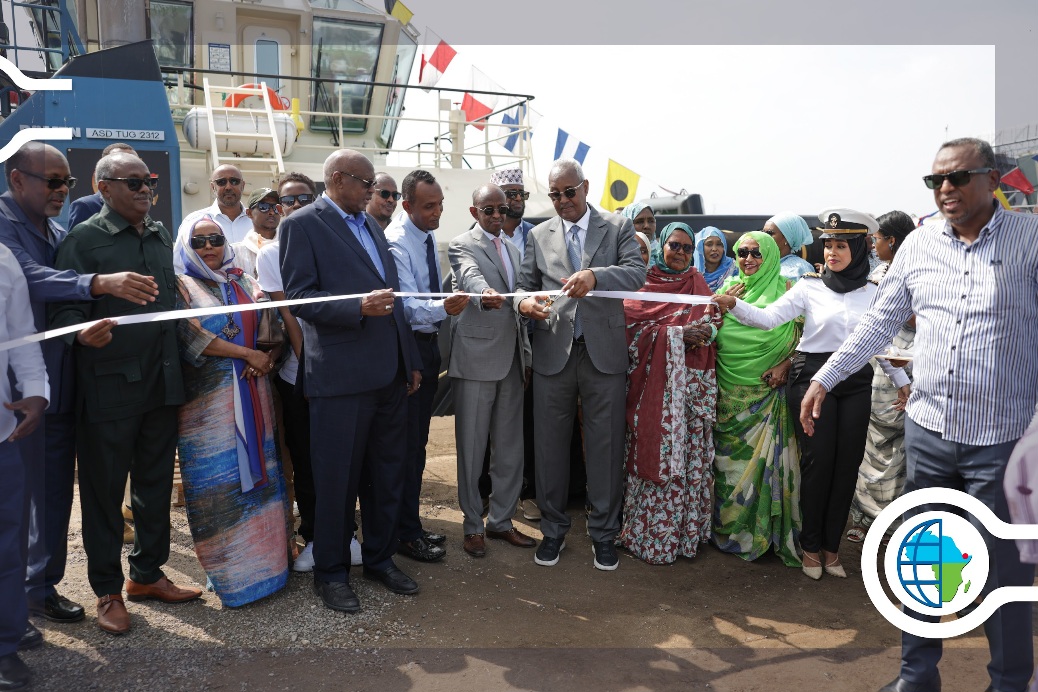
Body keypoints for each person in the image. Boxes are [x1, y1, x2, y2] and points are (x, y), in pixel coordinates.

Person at [801, 138, 1038, 692]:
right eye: (936, 181)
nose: (946, 189)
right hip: (929, 431)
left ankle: (1009, 681)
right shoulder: (919, 246)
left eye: (958, 178)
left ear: (993, 179)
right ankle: (916, 676)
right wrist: (825, 377)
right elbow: (879, 323)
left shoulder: (1029, 241)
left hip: (1003, 439)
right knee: (926, 561)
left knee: (1004, 572)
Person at [0, 143, 164, 632]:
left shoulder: (55, 230)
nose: (63, 191)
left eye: (66, 182)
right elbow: (29, 279)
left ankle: (39, 588)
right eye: (52, 181)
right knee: (17, 501)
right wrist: (96, 283)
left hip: (60, 383)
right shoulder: (6, 227)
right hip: (16, 390)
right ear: (17, 179)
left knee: (53, 495)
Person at [713, 208, 909, 582]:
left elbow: (880, 342)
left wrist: (901, 380)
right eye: (828, 245)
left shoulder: (875, 293)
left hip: (855, 381)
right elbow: (768, 319)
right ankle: (810, 546)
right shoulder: (808, 286)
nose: (832, 252)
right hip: (811, 379)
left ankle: (832, 549)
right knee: (818, 464)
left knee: (846, 465)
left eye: (841, 246)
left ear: (859, 248)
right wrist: (734, 304)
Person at [50, 152, 202, 635]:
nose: (145, 190)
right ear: (104, 187)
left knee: (154, 487)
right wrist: (79, 333)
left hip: (161, 382)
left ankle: (147, 574)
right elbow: (61, 309)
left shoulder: (158, 234)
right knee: (104, 492)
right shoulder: (83, 240)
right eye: (133, 182)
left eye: (148, 181)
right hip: (110, 389)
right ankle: (107, 591)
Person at [280, 149, 423, 613]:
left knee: (385, 475)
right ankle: (332, 573)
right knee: (336, 481)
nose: (372, 191)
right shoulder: (301, 225)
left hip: (388, 375)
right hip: (340, 378)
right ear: (338, 179)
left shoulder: (373, 227)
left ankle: (380, 559)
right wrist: (356, 307)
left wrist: (409, 358)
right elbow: (299, 298)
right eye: (366, 183)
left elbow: (394, 300)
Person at [515, 158, 645, 571]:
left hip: (603, 353)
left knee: (606, 446)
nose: (562, 200)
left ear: (585, 188)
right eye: (554, 194)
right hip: (553, 352)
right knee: (549, 447)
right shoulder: (538, 235)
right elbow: (523, 286)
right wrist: (525, 303)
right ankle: (553, 530)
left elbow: (636, 273)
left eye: (569, 192)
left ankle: (604, 533)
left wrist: (595, 275)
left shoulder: (618, 226)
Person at [174, 216, 290, 607]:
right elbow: (191, 336)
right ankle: (231, 577)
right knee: (219, 485)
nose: (209, 246)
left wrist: (267, 356)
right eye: (199, 241)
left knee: (262, 478)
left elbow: (273, 323)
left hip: (256, 391)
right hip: (209, 411)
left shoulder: (244, 280)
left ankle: (270, 569)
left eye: (215, 239)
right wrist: (247, 354)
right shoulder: (181, 286)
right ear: (187, 247)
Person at [617, 222, 721, 565]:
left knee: (687, 461)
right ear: (661, 246)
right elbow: (630, 328)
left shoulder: (697, 282)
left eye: (687, 248)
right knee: (654, 456)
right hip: (652, 393)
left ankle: (683, 539)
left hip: (690, 393)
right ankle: (646, 537)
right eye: (674, 245)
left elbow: (713, 321)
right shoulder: (643, 283)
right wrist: (676, 335)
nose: (680, 253)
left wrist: (704, 331)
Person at [258, 172, 345, 573]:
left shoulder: (335, 241)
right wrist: (311, 370)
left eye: (303, 198)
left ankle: (346, 534)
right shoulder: (271, 254)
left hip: (343, 373)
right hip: (302, 377)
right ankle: (313, 537)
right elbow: (290, 315)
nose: (294, 206)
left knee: (342, 460)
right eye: (287, 200)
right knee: (307, 462)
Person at [385, 169, 467, 564]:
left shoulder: (426, 234)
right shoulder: (398, 242)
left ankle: (410, 526)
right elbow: (405, 307)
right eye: (429, 206)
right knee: (404, 448)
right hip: (411, 348)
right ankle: (403, 533)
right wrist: (444, 307)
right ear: (407, 205)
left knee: (417, 445)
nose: (437, 212)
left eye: (440, 205)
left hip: (429, 343)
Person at [448, 185, 534, 557]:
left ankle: (500, 521)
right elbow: (470, 277)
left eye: (502, 208)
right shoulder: (461, 244)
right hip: (476, 359)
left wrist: (526, 352)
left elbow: (519, 300)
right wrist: (484, 294)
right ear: (474, 211)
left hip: (512, 361)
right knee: (472, 449)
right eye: (489, 210)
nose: (498, 215)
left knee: (510, 449)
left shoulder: (514, 249)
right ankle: (472, 525)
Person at [710, 231, 801, 566]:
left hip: (768, 397)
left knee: (767, 469)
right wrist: (713, 308)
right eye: (742, 252)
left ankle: (763, 536)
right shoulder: (727, 289)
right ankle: (731, 531)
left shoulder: (789, 291)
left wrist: (787, 364)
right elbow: (707, 333)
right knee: (728, 470)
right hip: (727, 397)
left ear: (771, 256)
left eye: (756, 253)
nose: (748, 259)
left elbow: (809, 337)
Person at [846, 211, 917, 543]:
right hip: (880, 360)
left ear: (892, 240)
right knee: (871, 438)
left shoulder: (919, 271)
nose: (873, 245)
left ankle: (892, 523)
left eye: (876, 239)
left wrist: (890, 305)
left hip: (909, 356)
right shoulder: (877, 272)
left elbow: (916, 316)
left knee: (899, 446)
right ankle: (863, 516)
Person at [0, 243, 49, 692]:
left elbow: (21, 335)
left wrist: (35, 389)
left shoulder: (2, 260)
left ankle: (4, 646)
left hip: (2, 436)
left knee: (5, 548)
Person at [489, 167, 537, 519]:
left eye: (521, 193)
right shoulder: (476, 235)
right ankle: (485, 492)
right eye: (511, 193)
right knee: (487, 420)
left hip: (533, 338)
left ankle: (528, 493)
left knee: (530, 420)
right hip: (491, 342)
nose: (517, 199)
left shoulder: (537, 235)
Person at [175, 164, 252, 272]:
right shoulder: (193, 221)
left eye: (234, 181)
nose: (228, 187)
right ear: (212, 187)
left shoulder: (258, 221)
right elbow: (178, 266)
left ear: (242, 185)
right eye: (221, 182)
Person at [68, 142, 137, 230]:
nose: (131, 166)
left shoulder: (139, 204)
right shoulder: (85, 206)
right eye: (122, 161)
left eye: (135, 161)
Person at [232, 188, 282, 277]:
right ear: (249, 213)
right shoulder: (234, 253)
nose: (271, 212)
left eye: (276, 208)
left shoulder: (291, 247)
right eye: (264, 207)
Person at [762, 213, 815, 283]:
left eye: (770, 233)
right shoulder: (756, 264)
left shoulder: (801, 268)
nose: (764, 237)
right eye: (763, 233)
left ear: (787, 238)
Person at [693, 226, 737, 292]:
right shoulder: (691, 275)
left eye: (719, 244)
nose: (714, 249)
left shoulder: (733, 268)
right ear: (700, 248)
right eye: (709, 244)